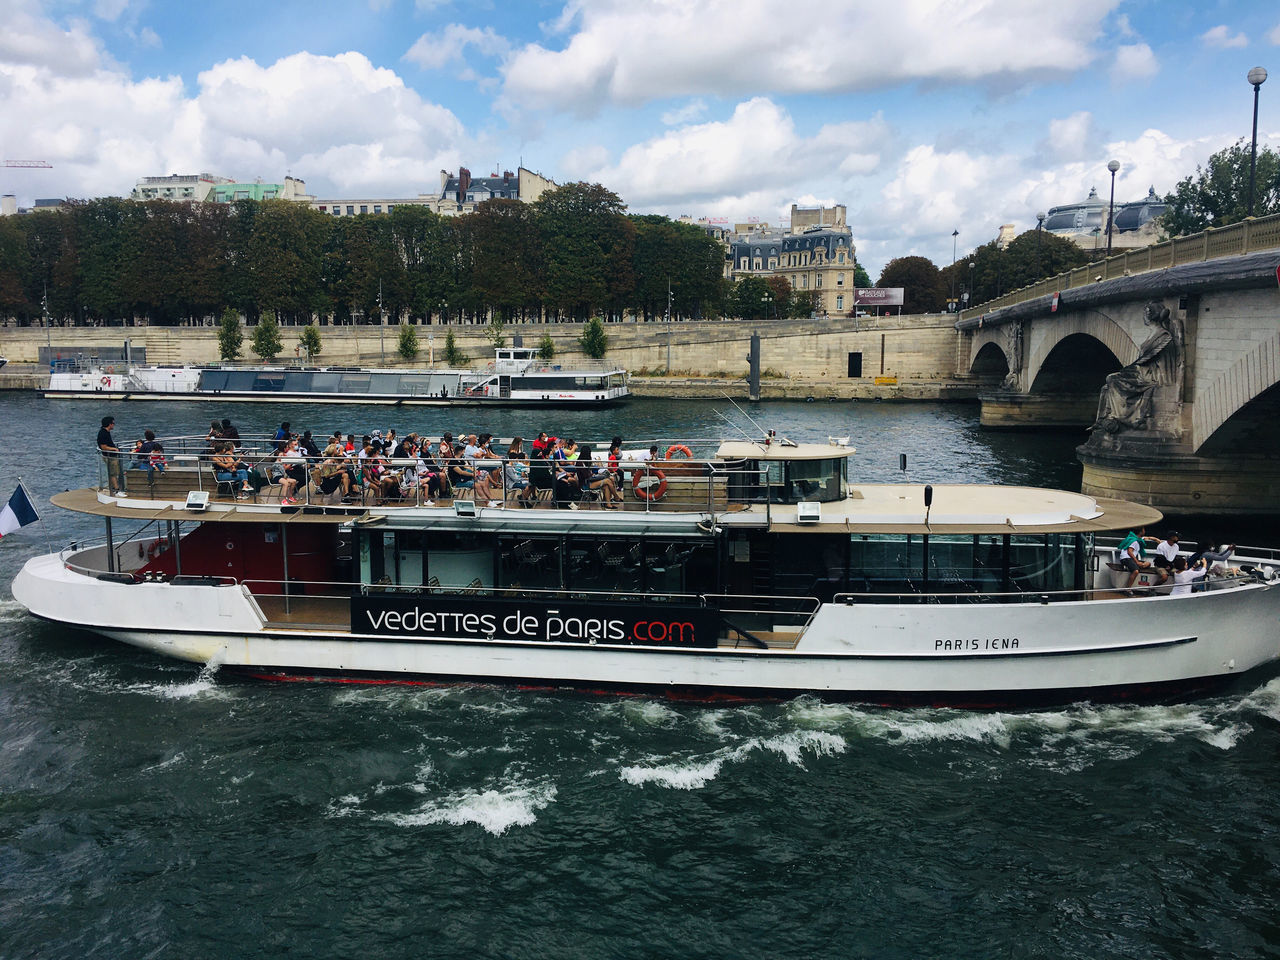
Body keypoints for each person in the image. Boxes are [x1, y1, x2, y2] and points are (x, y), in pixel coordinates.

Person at [1093, 300, 1182, 434]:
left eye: (1144, 313)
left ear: (1149, 315)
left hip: (1148, 376)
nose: (1143, 317)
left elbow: (1158, 362)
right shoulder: (1155, 334)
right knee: (1107, 386)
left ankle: (1122, 418)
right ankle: (1109, 418)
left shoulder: (1163, 336)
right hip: (1142, 372)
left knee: (1112, 379)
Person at [97, 415, 126, 496]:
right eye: (113, 423)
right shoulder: (103, 433)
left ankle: (113, 488)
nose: (114, 425)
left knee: (113, 472)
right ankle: (116, 490)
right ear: (109, 424)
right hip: (110, 456)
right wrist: (114, 449)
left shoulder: (106, 432)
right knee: (113, 473)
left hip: (111, 456)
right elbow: (103, 447)